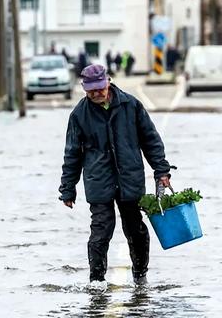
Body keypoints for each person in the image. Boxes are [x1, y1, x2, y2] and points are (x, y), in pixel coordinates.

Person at [59, 64, 174, 286]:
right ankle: (96, 281)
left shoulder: (131, 105)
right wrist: (67, 188)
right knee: (100, 232)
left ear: (108, 83)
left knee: (135, 229)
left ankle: (140, 275)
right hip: (98, 181)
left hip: (130, 180)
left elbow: (150, 140)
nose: (96, 94)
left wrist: (161, 171)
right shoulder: (78, 115)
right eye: (91, 90)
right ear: (84, 89)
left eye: (99, 88)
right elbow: (72, 154)